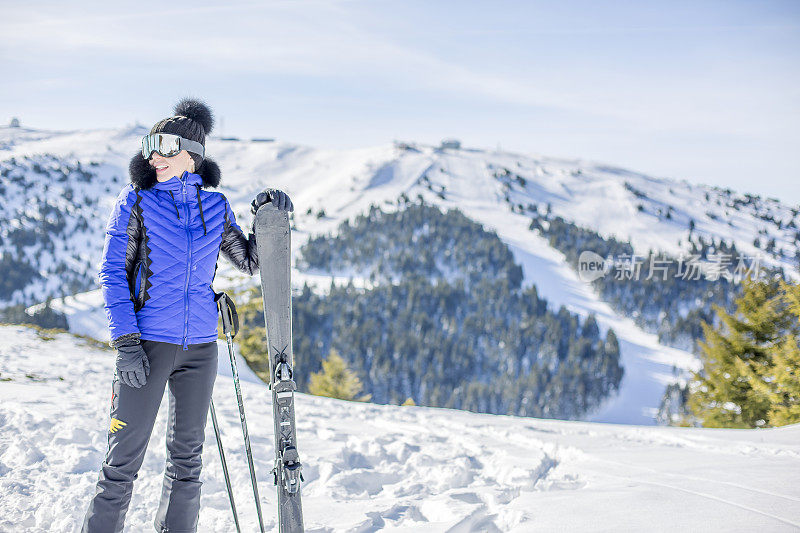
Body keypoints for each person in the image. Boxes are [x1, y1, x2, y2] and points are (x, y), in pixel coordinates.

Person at [82, 98, 293, 533]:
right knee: (121, 464)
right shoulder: (136, 202)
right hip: (147, 347)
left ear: (192, 155)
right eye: (148, 145)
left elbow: (251, 262)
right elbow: (112, 273)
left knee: (187, 462)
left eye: (163, 146)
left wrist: (269, 216)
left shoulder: (214, 207)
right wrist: (125, 345)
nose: (152, 155)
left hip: (200, 349)